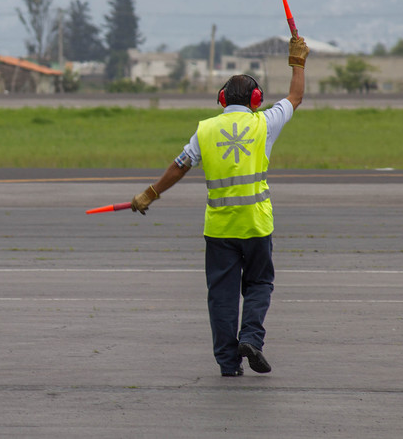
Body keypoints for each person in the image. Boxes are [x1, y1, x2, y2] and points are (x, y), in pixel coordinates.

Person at [130, 34, 310, 376]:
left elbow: (179, 165)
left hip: (220, 228)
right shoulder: (265, 123)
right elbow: (295, 97)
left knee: (222, 296)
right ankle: (252, 338)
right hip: (257, 225)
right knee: (259, 284)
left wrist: (149, 194)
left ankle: (229, 364)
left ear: (222, 99)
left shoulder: (205, 130)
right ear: (256, 100)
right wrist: (297, 61)